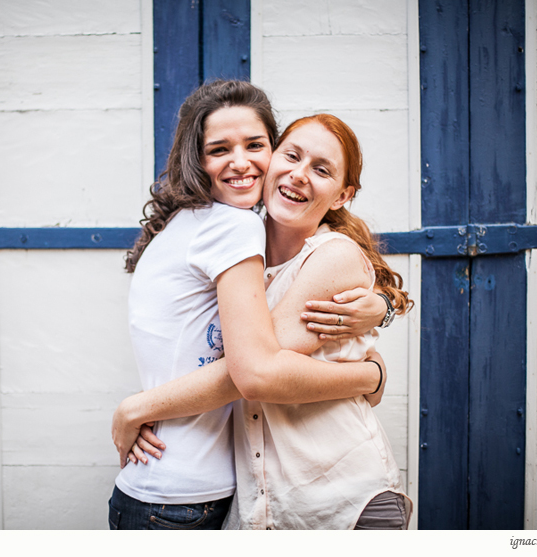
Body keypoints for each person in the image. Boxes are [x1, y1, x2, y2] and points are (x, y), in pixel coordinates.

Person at [109, 80, 395, 530]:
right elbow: (256, 366)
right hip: (268, 503)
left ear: (342, 195)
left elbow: (255, 371)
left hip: (341, 494)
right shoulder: (242, 236)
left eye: (322, 170)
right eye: (293, 155)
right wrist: (371, 364)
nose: (300, 174)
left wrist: (139, 407)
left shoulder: (317, 251)